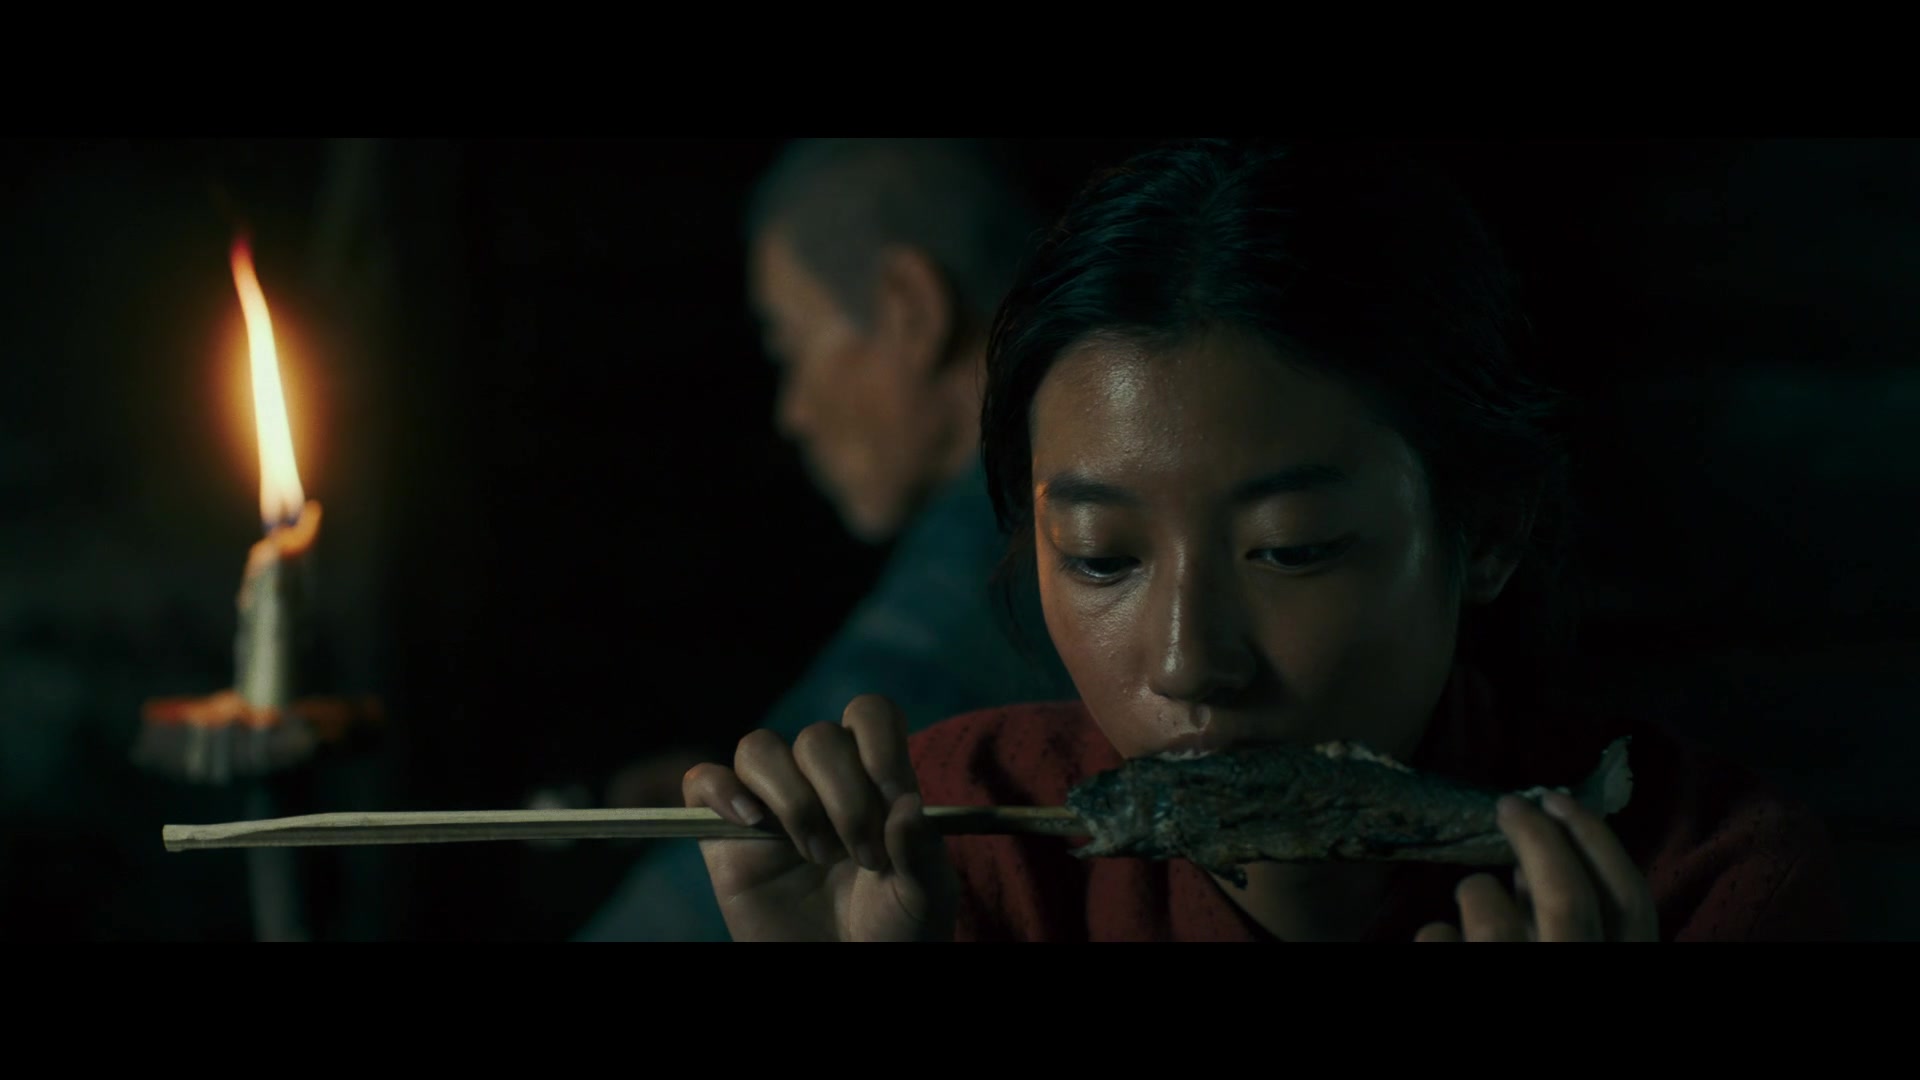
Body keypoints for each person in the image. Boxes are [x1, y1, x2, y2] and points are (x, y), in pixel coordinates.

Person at [681, 139, 1847, 942]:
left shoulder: (1701, 878)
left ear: (1488, 531)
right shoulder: (945, 847)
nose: (1189, 661)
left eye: (1290, 549)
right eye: (1101, 557)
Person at [574, 139, 1075, 941]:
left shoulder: (998, 555)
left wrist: (752, 833)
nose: (793, 413)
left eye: (790, 348)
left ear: (910, 308)